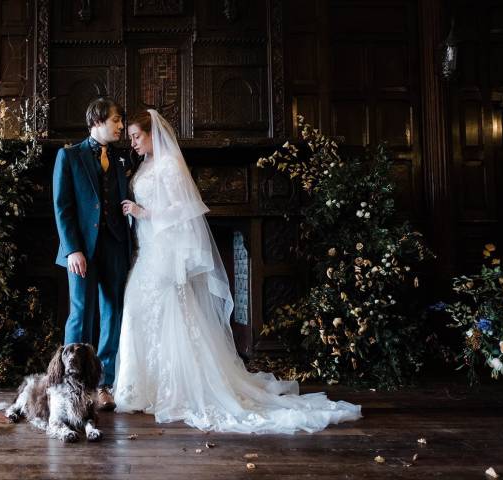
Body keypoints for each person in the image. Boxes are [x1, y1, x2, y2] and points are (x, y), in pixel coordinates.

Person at [113, 109, 362, 433]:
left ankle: (172, 389)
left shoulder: (170, 165)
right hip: (149, 250)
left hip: (165, 252)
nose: (132, 142)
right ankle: (141, 388)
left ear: (152, 134)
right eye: (130, 136)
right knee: (139, 310)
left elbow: (184, 210)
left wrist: (143, 212)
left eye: (136, 136)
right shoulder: (145, 164)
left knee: (168, 315)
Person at [52, 97, 132, 411]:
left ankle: (104, 385)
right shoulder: (69, 156)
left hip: (115, 245)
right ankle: (73, 386)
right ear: (97, 120)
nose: (121, 126)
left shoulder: (123, 159)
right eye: (116, 120)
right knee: (80, 314)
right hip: (82, 250)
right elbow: (63, 208)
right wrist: (72, 249)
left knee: (113, 313)